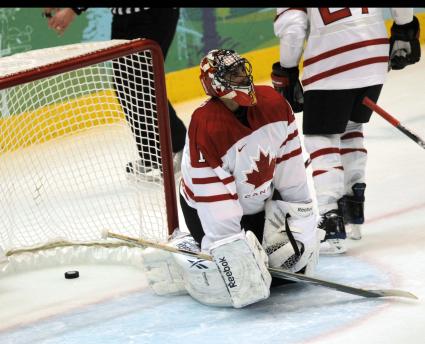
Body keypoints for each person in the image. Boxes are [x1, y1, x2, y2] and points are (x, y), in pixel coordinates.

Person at [141, 49, 323, 308]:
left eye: (241, 69)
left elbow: (291, 171)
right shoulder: (206, 126)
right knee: (241, 286)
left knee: (290, 274)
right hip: (208, 213)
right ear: (214, 83)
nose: (241, 77)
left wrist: (301, 221)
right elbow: (216, 203)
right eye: (232, 73)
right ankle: (189, 250)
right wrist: (230, 250)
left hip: (261, 205)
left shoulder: (274, 104)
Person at [272, 8, 421, 254]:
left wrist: (288, 69)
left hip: (331, 61)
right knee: (351, 127)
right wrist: (404, 28)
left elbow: (293, 26)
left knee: (322, 137)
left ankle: (330, 221)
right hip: (374, 57)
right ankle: (354, 208)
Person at [43, 7, 187, 176]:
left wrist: (73, 9)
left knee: (143, 83)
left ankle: (181, 148)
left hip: (152, 14)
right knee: (124, 86)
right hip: (122, 18)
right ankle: (153, 154)